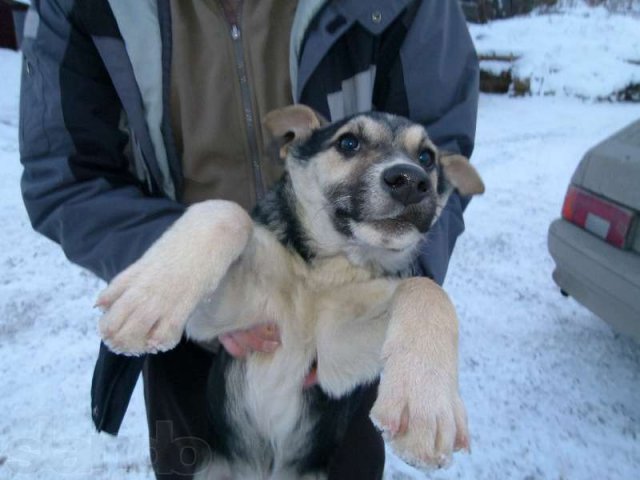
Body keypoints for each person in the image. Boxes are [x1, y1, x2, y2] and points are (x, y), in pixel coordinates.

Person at [19, 0, 479, 478]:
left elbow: (439, 147)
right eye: (349, 145)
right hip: (192, 335)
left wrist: (415, 300)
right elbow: (66, 177)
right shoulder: (78, 7)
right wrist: (186, 267)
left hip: (347, 306)